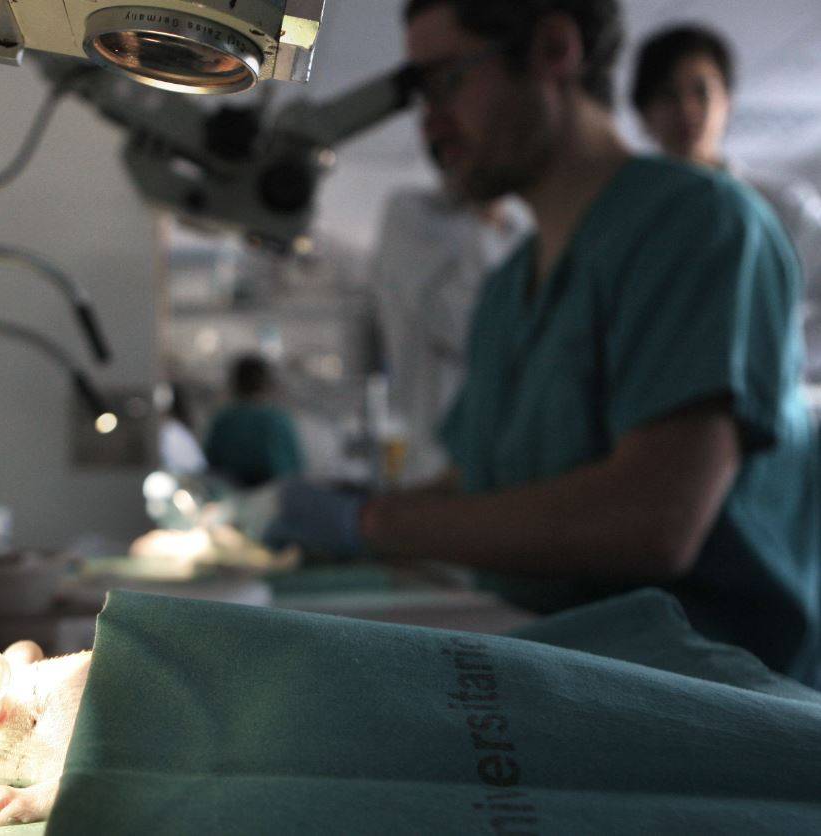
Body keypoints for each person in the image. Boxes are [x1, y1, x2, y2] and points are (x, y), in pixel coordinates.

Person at [263, 0, 821, 685]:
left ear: (555, 49)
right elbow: (484, 476)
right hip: (567, 676)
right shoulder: (507, 291)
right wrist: (340, 509)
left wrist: (374, 523)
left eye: (446, 82)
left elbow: (652, 517)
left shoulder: (700, 226)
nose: (431, 122)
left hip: (720, 706)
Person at [631, 24, 821, 388]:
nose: (687, 110)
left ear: (727, 102)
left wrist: (778, 354)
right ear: (644, 112)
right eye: (668, 95)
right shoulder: (624, 222)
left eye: (701, 92)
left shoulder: (783, 207)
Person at [371, 146, 531, 484]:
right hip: (437, 457)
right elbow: (463, 328)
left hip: (517, 456)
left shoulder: (519, 230)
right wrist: (484, 222)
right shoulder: (413, 216)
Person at [203, 354, 304, 488]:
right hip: (272, 497)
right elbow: (293, 469)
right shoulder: (277, 419)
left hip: (232, 497)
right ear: (266, 383)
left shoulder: (223, 419)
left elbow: (210, 464)